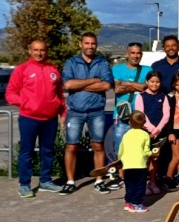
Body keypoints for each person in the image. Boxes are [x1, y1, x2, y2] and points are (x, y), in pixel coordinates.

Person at [6, 40, 66, 198]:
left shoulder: (53, 69)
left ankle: (45, 180)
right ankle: (24, 184)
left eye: (42, 50)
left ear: (46, 51)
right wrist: (26, 103)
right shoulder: (22, 69)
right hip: (29, 118)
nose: (39, 53)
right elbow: (10, 93)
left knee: (48, 151)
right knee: (27, 152)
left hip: (50, 119)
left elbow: (59, 95)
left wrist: (63, 113)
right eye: (36, 50)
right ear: (29, 51)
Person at [60, 32, 114, 195]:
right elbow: (68, 84)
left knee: (98, 145)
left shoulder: (102, 62)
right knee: (71, 146)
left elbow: (107, 86)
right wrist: (93, 80)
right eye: (87, 43)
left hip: (96, 111)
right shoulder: (71, 62)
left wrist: (79, 85)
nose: (90, 46)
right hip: (75, 111)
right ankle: (70, 181)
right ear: (80, 44)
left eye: (93, 44)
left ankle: (99, 180)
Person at [109, 42, 151, 189]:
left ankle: (140, 176)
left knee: (141, 148)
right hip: (121, 115)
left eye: (138, 53)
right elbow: (117, 89)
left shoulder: (147, 70)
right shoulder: (117, 69)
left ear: (141, 54)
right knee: (121, 147)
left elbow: (146, 87)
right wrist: (136, 85)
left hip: (140, 116)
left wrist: (126, 83)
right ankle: (121, 177)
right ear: (127, 54)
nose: (135, 56)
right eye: (132, 53)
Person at [135, 71, 170, 195]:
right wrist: (151, 129)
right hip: (144, 133)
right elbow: (140, 114)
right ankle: (143, 183)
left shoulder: (163, 96)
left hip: (158, 134)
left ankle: (153, 182)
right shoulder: (141, 96)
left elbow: (166, 115)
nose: (155, 84)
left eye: (157, 82)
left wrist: (158, 129)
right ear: (147, 82)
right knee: (144, 159)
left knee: (155, 159)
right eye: (152, 82)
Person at [118, 111, 156, 213]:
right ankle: (136, 204)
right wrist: (154, 154)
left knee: (129, 184)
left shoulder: (126, 134)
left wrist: (120, 160)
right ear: (144, 123)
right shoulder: (145, 135)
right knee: (140, 185)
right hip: (140, 165)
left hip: (128, 164)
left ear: (129, 123)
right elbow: (147, 152)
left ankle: (128, 202)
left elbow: (121, 150)